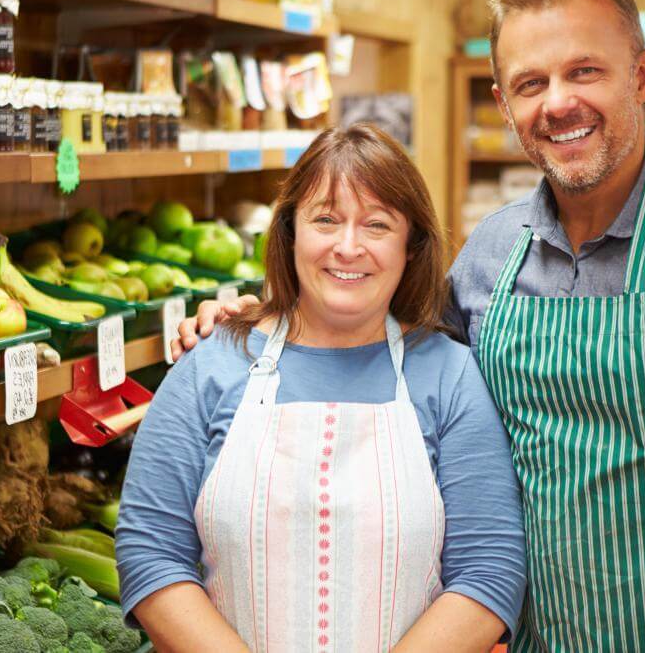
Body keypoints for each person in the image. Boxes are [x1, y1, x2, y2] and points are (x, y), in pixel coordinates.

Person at [174, 0, 645, 652]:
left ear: (642, 76)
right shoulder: (489, 252)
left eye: (585, 71)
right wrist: (259, 326)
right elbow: (378, 357)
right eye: (530, 84)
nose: (557, 103)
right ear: (504, 104)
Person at [116, 123, 527, 653]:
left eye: (377, 224)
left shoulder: (450, 376)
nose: (348, 246)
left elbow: (489, 570)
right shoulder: (211, 367)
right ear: (289, 235)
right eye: (325, 220)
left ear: (411, 245)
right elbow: (151, 552)